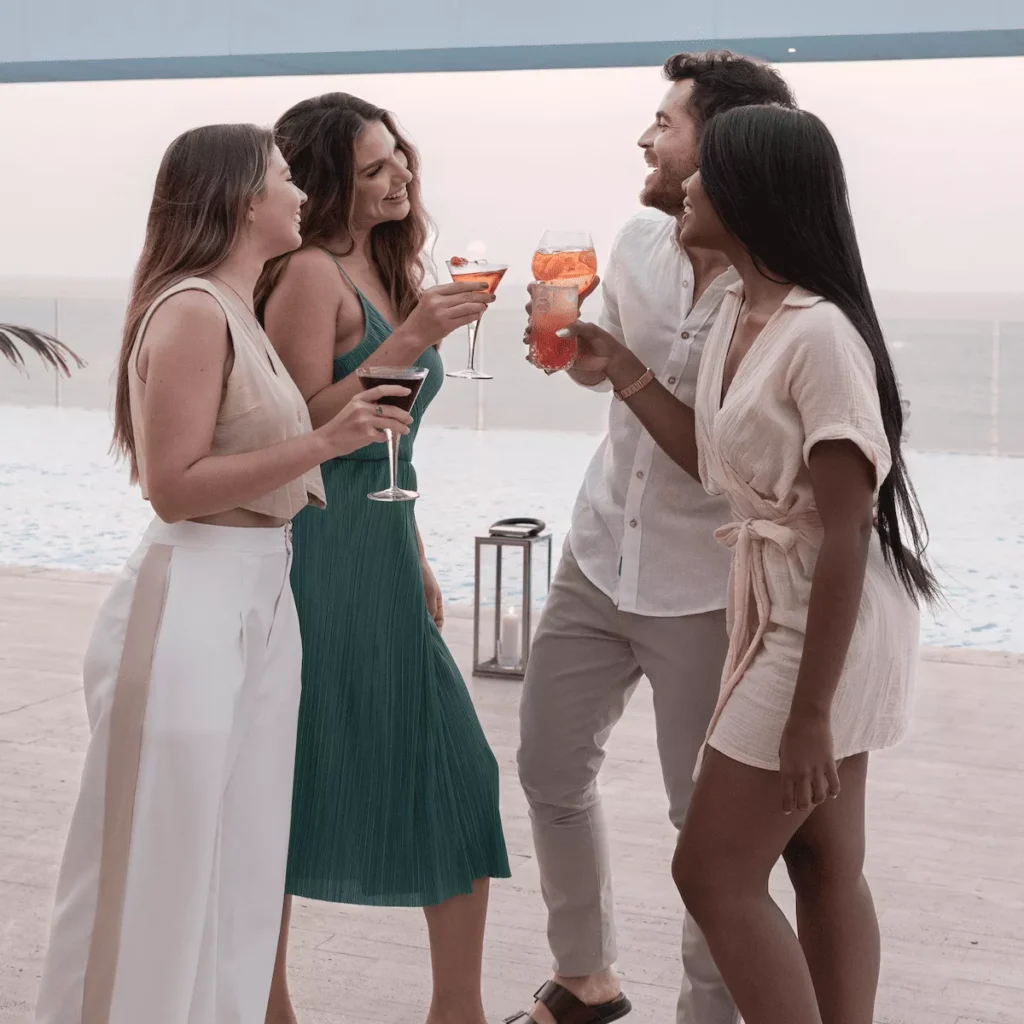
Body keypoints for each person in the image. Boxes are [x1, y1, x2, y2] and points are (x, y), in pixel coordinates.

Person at [562, 104, 936, 1024]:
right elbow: (721, 464)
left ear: (749, 193)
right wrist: (623, 370)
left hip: (825, 623)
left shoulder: (818, 338)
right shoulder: (741, 308)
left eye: (704, 171)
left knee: (713, 871)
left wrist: (809, 713)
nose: (682, 184)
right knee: (819, 860)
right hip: (786, 604)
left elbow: (846, 535)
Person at [34, 123, 413, 1024]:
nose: (299, 192)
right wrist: (323, 442)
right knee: (155, 861)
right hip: (192, 599)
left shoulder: (234, 307)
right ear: (246, 200)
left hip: (258, 590)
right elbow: (172, 488)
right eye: (285, 178)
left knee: (239, 862)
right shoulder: (195, 309)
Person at [513, 52, 795, 1024]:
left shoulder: (769, 298)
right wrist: (580, 357)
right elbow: (610, 371)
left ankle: (706, 1013)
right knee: (549, 768)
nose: (645, 137)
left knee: (702, 830)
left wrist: (623, 368)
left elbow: (719, 458)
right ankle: (585, 976)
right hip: (598, 555)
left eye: (664, 123)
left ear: (717, 148)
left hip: (703, 588)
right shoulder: (634, 242)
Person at [257, 93, 510, 1024]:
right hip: (314, 552)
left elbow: (396, 441)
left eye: (398, 153)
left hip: (383, 544)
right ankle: (269, 1004)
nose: (399, 172)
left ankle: (459, 1010)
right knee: (292, 768)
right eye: (373, 167)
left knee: (457, 769)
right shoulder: (310, 274)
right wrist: (409, 342)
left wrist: (417, 553)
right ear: (329, 182)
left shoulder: (394, 266)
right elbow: (288, 431)